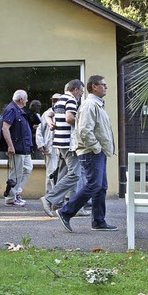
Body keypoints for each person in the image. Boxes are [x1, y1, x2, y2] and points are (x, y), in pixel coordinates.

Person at [56, 75, 117, 233]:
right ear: (94, 87)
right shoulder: (90, 105)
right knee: (93, 185)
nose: (106, 87)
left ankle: (98, 221)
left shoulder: (97, 105)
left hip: (98, 151)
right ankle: (65, 212)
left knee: (101, 187)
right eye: (103, 85)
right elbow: (84, 130)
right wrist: (96, 147)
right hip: (91, 152)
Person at [41, 80, 85, 217]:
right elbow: (69, 118)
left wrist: (51, 124)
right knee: (75, 174)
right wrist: (83, 124)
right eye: (81, 92)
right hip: (68, 144)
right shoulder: (71, 100)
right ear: (76, 89)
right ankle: (49, 198)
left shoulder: (60, 100)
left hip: (59, 143)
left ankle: (67, 206)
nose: (81, 95)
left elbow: (48, 115)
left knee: (64, 174)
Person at [36, 93, 61, 193]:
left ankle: (58, 195)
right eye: (53, 100)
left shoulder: (65, 113)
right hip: (50, 147)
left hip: (61, 147)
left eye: (57, 100)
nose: (55, 102)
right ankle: (50, 194)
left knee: (61, 172)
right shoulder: (47, 114)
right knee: (51, 172)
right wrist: (40, 143)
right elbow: (39, 129)